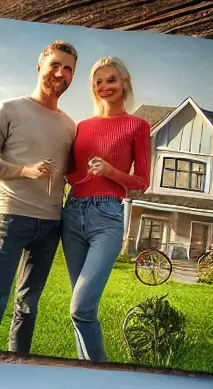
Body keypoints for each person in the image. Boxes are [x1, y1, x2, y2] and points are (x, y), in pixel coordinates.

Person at [0, 41, 78, 353]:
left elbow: (71, 173)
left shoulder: (70, 125)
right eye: (55, 64)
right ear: (40, 65)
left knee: (28, 309)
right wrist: (24, 170)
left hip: (50, 226)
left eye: (68, 68)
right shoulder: (8, 109)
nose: (61, 72)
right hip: (11, 220)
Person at [62, 57, 150, 361]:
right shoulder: (82, 126)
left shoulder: (138, 125)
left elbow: (142, 182)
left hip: (108, 218)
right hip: (72, 214)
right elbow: (73, 172)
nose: (104, 87)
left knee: (80, 307)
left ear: (124, 83)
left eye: (110, 80)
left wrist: (111, 171)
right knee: (81, 309)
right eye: (98, 82)